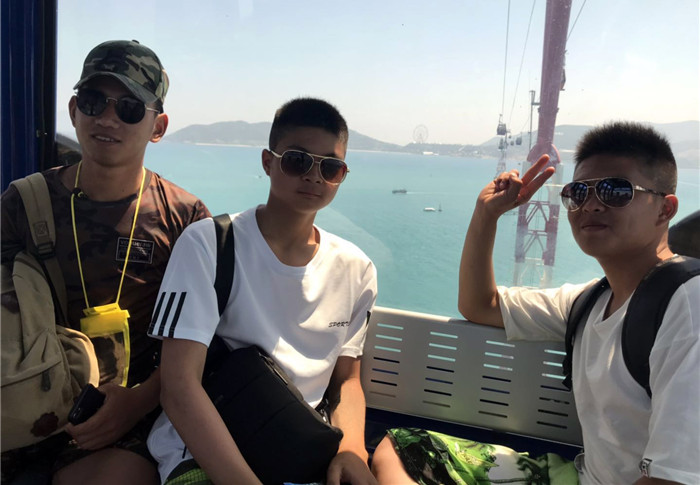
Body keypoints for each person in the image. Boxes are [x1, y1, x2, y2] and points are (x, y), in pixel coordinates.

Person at [371, 122, 699, 485]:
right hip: (581, 476)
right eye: (578, 192)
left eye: (615, 191)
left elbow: (674, 479)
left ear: (665, 209)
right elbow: (481, 305)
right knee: (403, 448)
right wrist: (487, 214)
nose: (591, 204)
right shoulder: (591, 301)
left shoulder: (687, 306)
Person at [1, 40, 211, 485]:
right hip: (23, 398)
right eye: (94, 102)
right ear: (74, 110)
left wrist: (137, 403)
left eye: (130, 108)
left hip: (128, 417)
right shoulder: (23, 203)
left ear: (158, 127)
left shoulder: (185, 219)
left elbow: (198, 339)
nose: (108, 119)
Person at [146, 97, 378, 485]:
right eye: (298, 161)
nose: (314, 176)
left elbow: (346, 381)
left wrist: (352, 450)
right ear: (268, 162)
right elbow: (178, 387)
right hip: (202, 451)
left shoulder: (356, 269)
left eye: (331, 167)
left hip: (300, 448)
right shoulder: (209, 245)